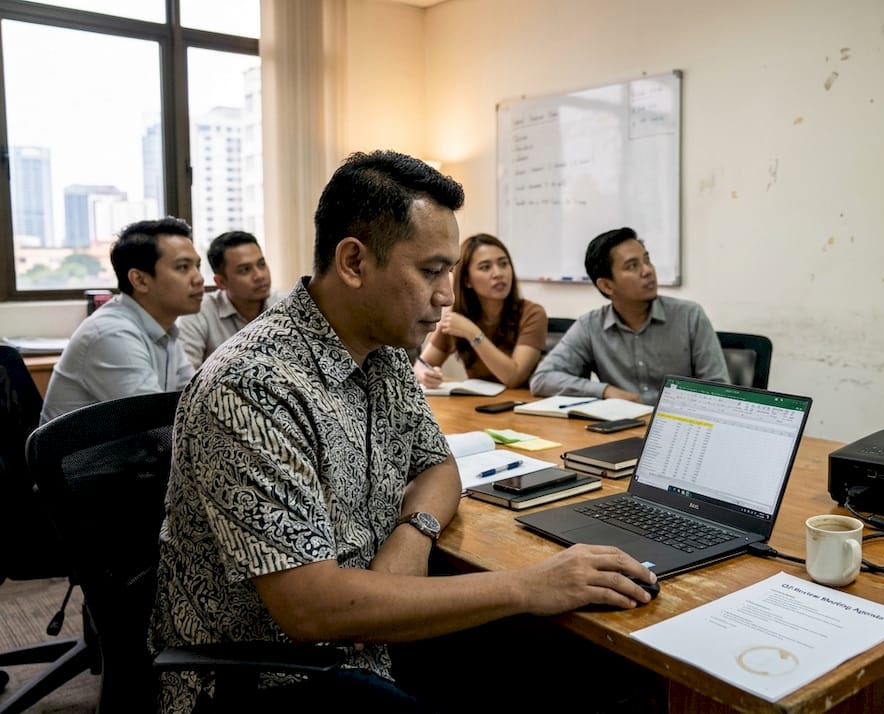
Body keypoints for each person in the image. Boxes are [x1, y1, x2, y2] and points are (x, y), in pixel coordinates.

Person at [148, 150, 656, 712]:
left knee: (591, 673)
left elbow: (438, 465)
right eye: (431, 271)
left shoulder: (383, 349)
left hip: (375, 633)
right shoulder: (253, 384)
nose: (446, 296)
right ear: (353, 262)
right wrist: (527, 585)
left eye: (451, 273)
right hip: (274, 677)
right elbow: (311, 611)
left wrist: (414, 532)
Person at [530, 227, 729, 405]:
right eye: (632, 266)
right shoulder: (591, 326)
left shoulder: (689, 317)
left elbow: (719, 391)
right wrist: (606, 391)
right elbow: (542, 379)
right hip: (622, 432)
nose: (648, 271)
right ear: (607, 285)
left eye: (647, 260)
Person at [39, 217, 204, 424]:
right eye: (183, 267)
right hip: (92, 456)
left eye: (197, 266)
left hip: (132, 452)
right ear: (140, 280)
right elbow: (152, 426)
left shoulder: (165, 328)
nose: (199, 278)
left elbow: (195, 403)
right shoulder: (112, 335)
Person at [413, 233, 547, 389]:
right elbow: (421, 365)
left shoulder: (533, 314)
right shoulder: (458, 319)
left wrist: (473, 334)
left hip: (520, 406)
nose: (498, 274)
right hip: (477, 407)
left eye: (503, 264)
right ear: (467, 280)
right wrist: (424, 374)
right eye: (485, 267)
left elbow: (514, 377)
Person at [178, 230, 283, 370]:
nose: (259, 275)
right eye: (245, 270)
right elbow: (186, 380)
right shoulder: (199, 314)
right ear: (221, 282)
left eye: (261, 264)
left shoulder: (286, 306)